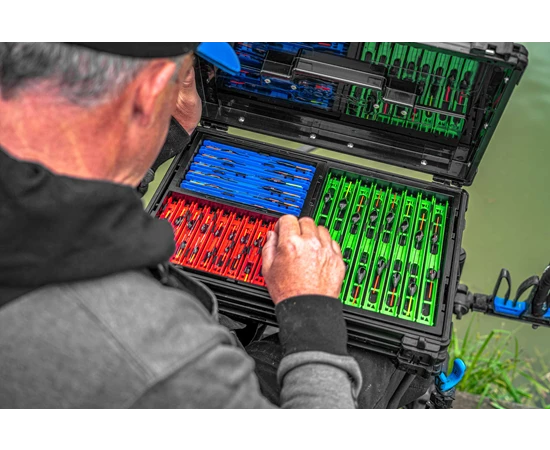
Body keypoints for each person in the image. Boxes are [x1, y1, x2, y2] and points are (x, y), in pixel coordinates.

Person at [0, 40, 430, 415]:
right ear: (151, 91)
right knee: (373, 355)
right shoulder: (163, 359)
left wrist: (163, 135)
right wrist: (312, 312)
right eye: (188, 74)